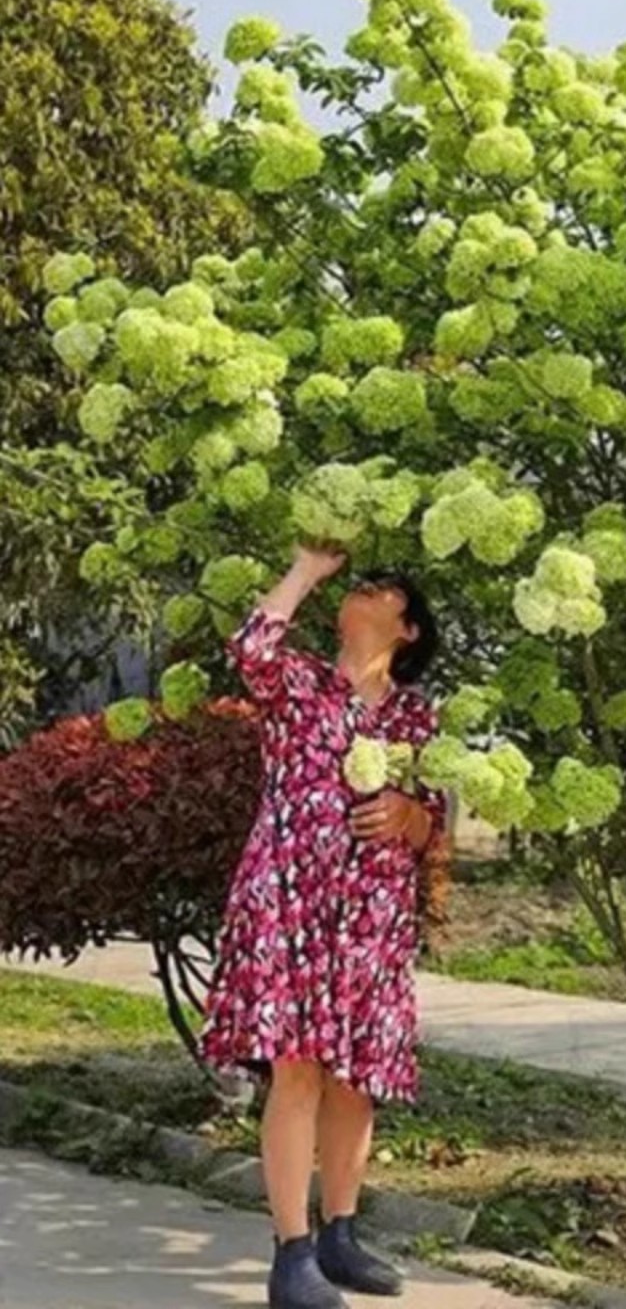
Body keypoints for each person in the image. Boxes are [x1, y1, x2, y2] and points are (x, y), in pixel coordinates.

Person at [200, 546, 443, 1309]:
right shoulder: (301, 682)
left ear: (406, 630)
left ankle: (340, 1235)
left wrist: (413, 816)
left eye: (380, 591)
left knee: (354, 1079)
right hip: (289, 901)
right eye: (358, 586)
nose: (361, 593)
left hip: (371, 915)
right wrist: (306, 569)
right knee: (297, 1068)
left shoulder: (418, 715)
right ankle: (291, 1252)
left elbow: (434, 819)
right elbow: (250, 649)